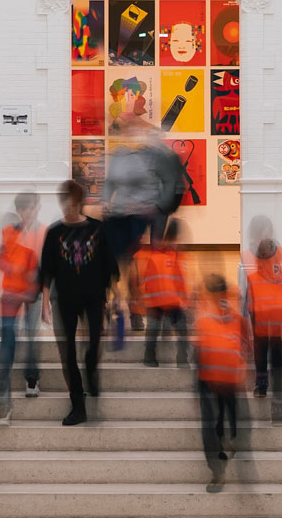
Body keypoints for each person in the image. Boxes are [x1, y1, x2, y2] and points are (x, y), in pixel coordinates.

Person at [40, 179, 120, 426]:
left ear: (81, 203)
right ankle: (78, 405)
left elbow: (109, 264)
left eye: (74, 204)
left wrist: (117, 295)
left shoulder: (97, 229)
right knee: (69, 353)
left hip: (94, 297)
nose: (70, 209)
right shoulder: (54, 233)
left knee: (93, 345)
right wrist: (45, 301)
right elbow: (47, 270)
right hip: (66, 299)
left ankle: (92, 370)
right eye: (66, 204)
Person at [102, 125, 184, 330]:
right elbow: (110, 182)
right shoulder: (120, 156)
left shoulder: (153, 157)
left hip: (141, 217)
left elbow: (168, 185)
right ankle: (110, 304)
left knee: (138, 264)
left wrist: (157, 208)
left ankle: (138, 308)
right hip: (120, 216)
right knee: (113, 265)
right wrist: (106, 202)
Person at [0, 191, 45, 426]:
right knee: (7, 348)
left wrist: (46, 299)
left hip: (33, 294)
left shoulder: (43, 234)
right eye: (24, 209)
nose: (28, 213)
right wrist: (12, 268)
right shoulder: (9, 232)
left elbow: (46, 267)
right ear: (19, 210)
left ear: (37, 208)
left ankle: (32, 379)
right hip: (11, 295)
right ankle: (3, 405)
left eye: (31, 208)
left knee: (32, 337)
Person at [195, 273, 251, 493]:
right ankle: (218, 468)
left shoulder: (231, 317)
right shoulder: (206, 316)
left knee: (221, 419)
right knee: (215, 424)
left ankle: (221, 464)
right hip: (213, 378)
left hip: (224, 379)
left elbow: (244, 343)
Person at [243, 216, 282, 426]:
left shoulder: (280, 254)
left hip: (278, 320)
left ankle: (277, 406)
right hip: (257, 318)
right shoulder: (247, 256)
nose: (264, 237)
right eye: (260, 232)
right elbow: (244, 289)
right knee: (260, 355)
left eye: (267, 232)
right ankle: (261, 383)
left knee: (278, 362)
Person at [134, 218, 190, 367]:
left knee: (154, 330)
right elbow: (179, 279)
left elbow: (179, 279)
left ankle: (152, 356)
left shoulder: (159, 256)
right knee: (177, 328)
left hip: (161, 301)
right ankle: (180, 358)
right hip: (165, 301)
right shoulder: (169, 256)